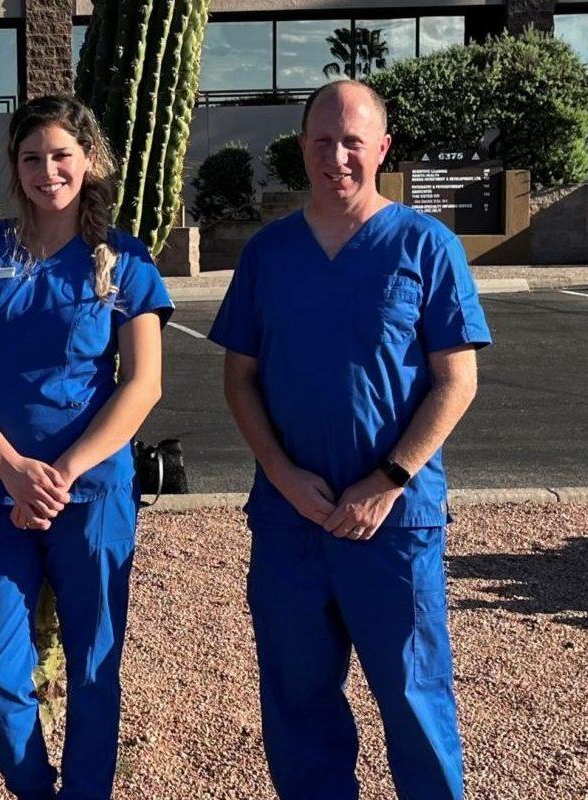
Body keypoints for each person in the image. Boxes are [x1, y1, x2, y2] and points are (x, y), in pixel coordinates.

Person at [210, 79, 492, 800]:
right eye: (322, 141)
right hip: (290, 519)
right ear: (302, 148)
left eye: (352, 142)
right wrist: (280, 473)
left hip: (394, 520)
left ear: (382, 149)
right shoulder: (268, 254)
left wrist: (388, 480)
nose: (336, 157)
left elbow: (455, 381)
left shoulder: (426, 246)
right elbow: (239, 379)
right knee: (297, 700)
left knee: (414, 697)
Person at [0, 95, 172, 800]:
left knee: (94, 663)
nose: (47, 171)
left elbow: (144, 384)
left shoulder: (124, 261)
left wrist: (62, 472)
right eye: (32, 157)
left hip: (91, 495)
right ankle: (35, 788)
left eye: (62, 155)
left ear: (88, 161)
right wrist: (11, 468)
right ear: (15, 167)